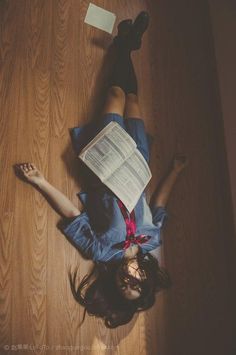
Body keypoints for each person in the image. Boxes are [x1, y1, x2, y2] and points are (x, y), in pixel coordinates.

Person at [14, 11, 188, 328]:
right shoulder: (152, 241)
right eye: (136, 284)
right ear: (146, 278)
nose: (129, 280)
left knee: (115, 95)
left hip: (105, 165)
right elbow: (160, 203)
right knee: (133, 100)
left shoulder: (100, 251)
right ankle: (127, 42)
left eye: (125, 287)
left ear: (114, 284)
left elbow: (71, 214)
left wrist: (39, 181)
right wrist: (175, 170)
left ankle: (124, 42)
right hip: (137, 164)